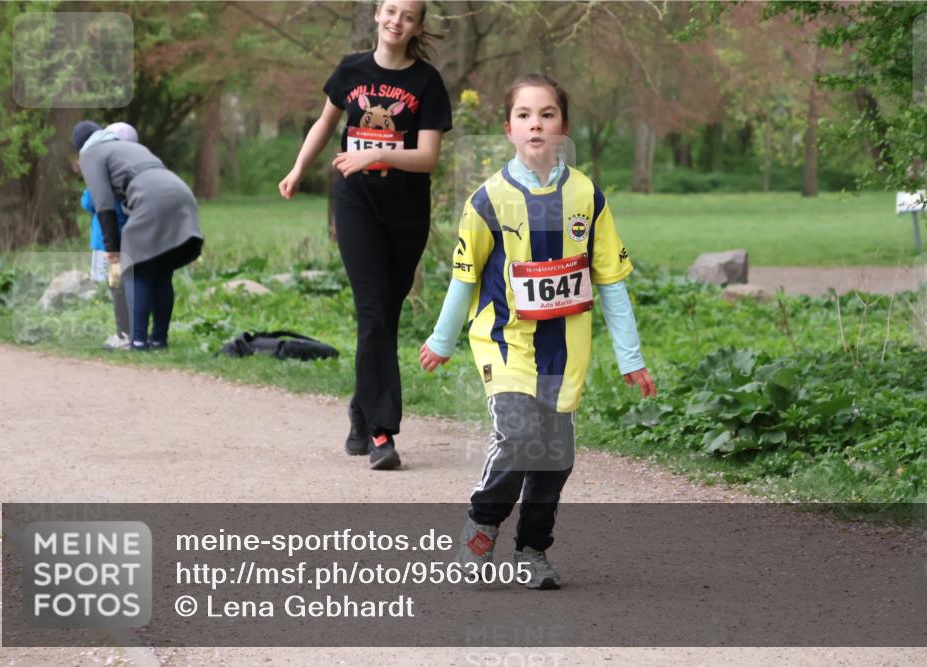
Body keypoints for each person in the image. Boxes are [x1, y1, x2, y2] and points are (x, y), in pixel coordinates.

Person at [419, 74, 657, 589]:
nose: (536, 124)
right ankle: (482, 528)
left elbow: (611, 283)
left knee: (554, 455)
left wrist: (630, 357)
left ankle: (532, 550)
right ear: (509, 129)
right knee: (520, 435)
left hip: (564, 349)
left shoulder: (587, 197)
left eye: (547, 114)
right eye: (525, 115)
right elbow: (464, 277)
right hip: (505, 342)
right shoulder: (488, 200)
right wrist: (441, 340)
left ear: (563, 128)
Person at [279, 0, 452, 471]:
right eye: (391, 10)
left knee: (385, 318)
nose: (397, 20)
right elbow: (325, 123)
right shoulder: (351, 70)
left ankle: (360, 407)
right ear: (378, 14)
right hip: (356, 203)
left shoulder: (426, 83)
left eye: (408, 16)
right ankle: (381, 432)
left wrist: (376, 155)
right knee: (372, 312)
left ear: (417, 26)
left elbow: (427, 156)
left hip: (407, 210)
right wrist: (298, 169)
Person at [73, 120, 203, 351]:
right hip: (182, 195)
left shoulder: (90, 154)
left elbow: (103, 205)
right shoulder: (130, 148)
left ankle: (138, 341)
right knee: (162, 271)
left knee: (135, 268)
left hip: (151, 201)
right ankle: (159, 340)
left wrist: (113, 252)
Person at [81, 122, 138, 350]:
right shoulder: (131, 175)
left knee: (116, 287)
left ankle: (123, 333)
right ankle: (136, 331)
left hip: (108, 243)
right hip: (131, 239)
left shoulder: (102, 174)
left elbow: (88, 202)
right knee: (132, 284)